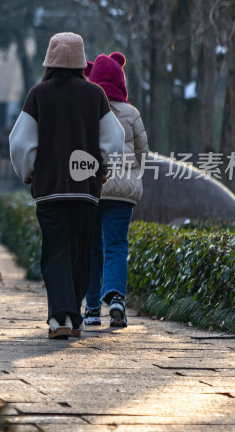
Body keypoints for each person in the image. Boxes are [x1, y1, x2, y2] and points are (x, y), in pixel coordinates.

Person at [9, 32, 124, 339]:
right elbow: (114, 140)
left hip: (50, 190)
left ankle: (59, 318)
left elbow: (20, 143)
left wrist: (30, 174)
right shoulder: (95, 95)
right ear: (80, 61)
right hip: (86, 189)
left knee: (56, 251)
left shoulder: (38, 94)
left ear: (49, 61)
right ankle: (74, 316)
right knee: (81, 251)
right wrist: (102, 170)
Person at [83, 52, 149, 328]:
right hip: (123, 192)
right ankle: (118, 299)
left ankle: (92, 309)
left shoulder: (88, 109)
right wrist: (132, 174)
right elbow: (143, 153)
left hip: (93, 187)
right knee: (117, 246)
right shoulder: (132, 113)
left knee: (92, 250)